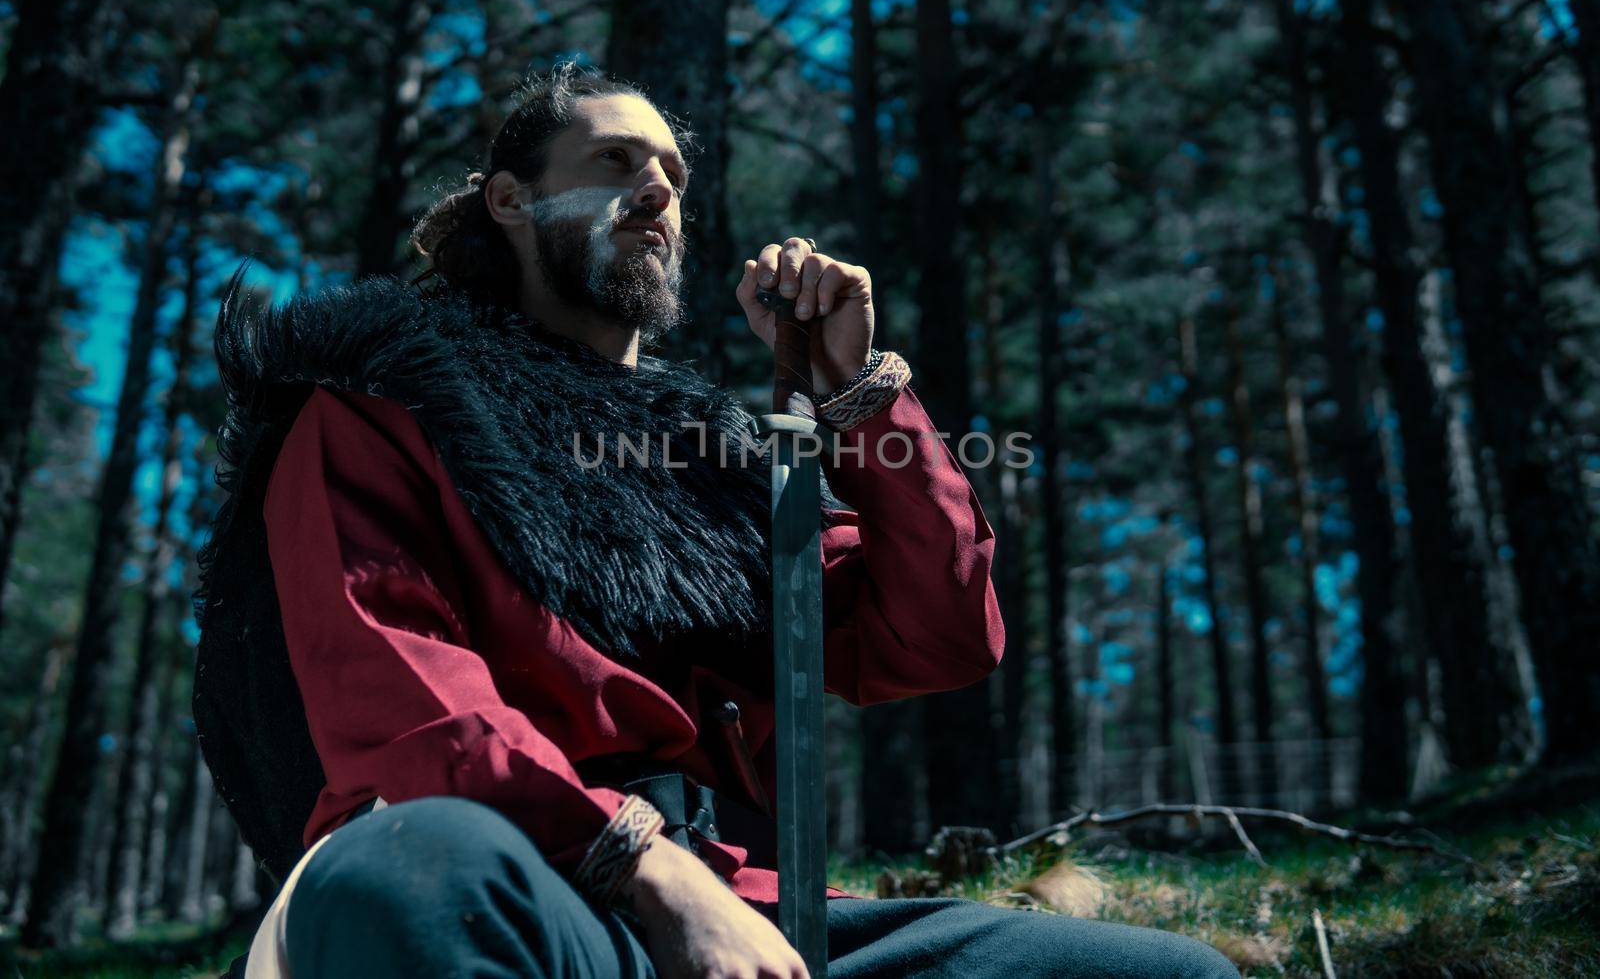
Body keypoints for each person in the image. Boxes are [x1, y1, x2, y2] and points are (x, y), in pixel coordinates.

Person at [193, 61, 1239, 979]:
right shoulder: (383, 404)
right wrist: (647, 867)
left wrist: (856, 397)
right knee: (413, 869)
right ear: (509, 201)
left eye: (673, 176)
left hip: (762, 913)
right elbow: (409, 706)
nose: (657, 189)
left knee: (1171, 971)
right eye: (613, 162)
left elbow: (938, 635)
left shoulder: (720, 468)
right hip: (532, 889)